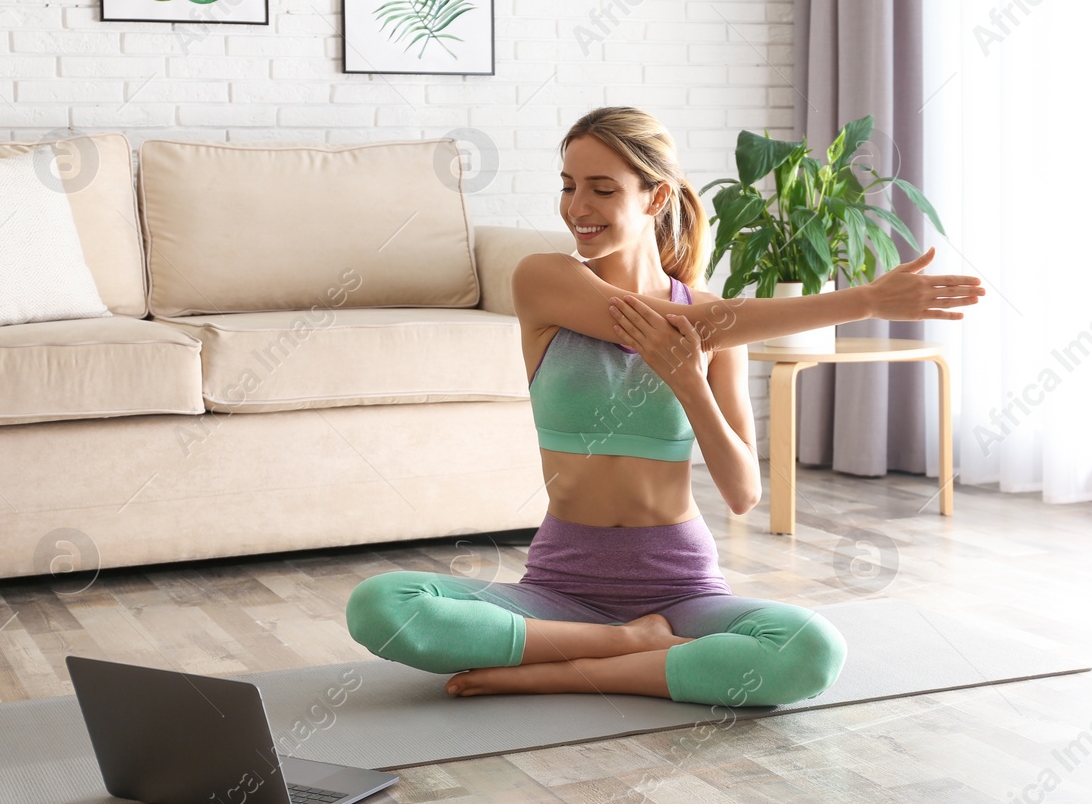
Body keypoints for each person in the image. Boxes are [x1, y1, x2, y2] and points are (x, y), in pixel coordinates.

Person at [344, 107, 984, 708]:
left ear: (654, 197)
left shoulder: (713, 327)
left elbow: (741, 494)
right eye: (568, 186)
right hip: (560, 585)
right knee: (381, 605)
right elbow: (672, 325)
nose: (577, 208)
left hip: (680, 588)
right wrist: (862, 302)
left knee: (810, 649)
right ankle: (627, 649)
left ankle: (575, 673)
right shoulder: (545, 279)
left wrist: (691, 386)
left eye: (601, 188)